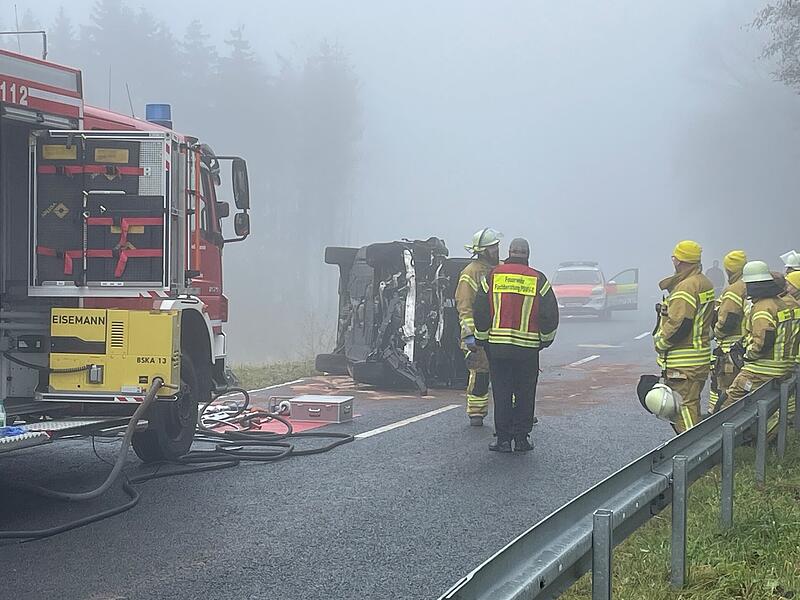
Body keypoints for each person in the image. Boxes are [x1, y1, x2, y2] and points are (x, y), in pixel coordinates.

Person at [473, 238, 558, 452]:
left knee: (501, 392)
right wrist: (544, 341)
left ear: (509, 252)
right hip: (528, 349)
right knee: (525, 393)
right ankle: (521, 439)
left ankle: (502, 440)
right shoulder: (539, 279)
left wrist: (482, 338)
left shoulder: (493, 276)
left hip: (498, 348)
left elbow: (481, 310)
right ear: (527, 255)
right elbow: (550, 315)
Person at [717, 261, 797, 410]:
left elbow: (763, 341)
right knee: (768, 409)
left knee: (728, 403)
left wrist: (747, 355)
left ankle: (722, 432)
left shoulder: (763, 307)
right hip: (783, 367)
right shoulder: (781, 303)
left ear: (754, 284)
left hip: (761, 370)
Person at [653, 240, 715, 433]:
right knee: (691, 404)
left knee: (683, 407)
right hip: (699, 357)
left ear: (678, 261)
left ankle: (691, 450)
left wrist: (661, 342)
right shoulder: (704, 282)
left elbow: (680, 324)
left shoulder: (686, 287)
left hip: (684, 361)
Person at [455, 227, 502, 426]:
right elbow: (464, 306)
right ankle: (476, 412)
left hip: (500, 332)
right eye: (493, 248)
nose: (497, 250)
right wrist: (469, 336)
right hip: (478, 335)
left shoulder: (499, 269)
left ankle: (516, 411)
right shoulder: (470, 273)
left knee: (506, 373)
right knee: (480, 373)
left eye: (497, 246)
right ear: (483, 251)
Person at [709, 251, 747, 413]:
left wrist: (716, 332)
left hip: (729, 352)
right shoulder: (748, 285)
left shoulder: (734, 290)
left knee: (723, 390)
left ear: (728, 270)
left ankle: (717, 425)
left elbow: (727, 321)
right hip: (742, 348)